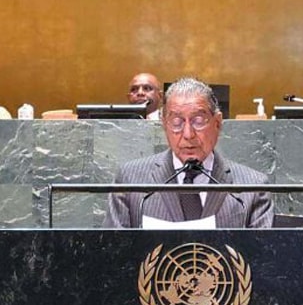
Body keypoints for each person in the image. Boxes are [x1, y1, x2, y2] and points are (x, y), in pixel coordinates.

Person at [104, 77, 274, 228]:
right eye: (176, 122)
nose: (188, 134)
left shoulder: (252, 187)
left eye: (198, 121)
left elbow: (264, 260)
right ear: (164, 125)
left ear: (217, 123)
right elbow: (115, 257)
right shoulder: (130, 181)